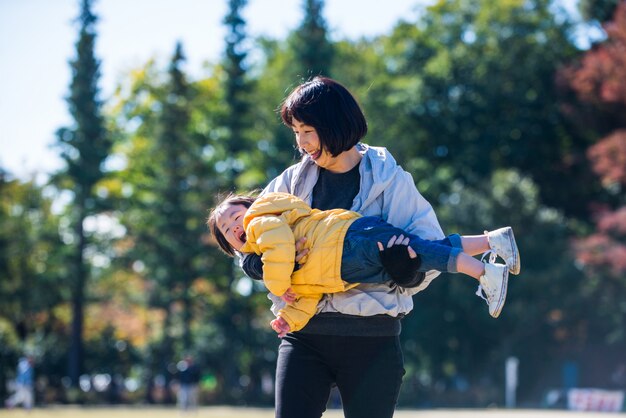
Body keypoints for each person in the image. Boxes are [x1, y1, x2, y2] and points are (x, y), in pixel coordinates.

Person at [237, 76, 511, 418]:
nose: (302, 142)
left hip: (372, 340)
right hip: (304, 335)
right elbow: (249, 234)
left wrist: (408, 274)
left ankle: (489, 257)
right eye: (296, 132)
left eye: (308, 130)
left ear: (334, 124)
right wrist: (254, 264)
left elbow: (428, 245)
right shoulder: (291, 181)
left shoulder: (391, 180)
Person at [208, 191, 520, 333]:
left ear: (248, 210)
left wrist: (279, 282)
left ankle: (482, 272)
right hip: (346, 263)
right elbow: (313, 292)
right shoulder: (263, 255)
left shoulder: (261, 221)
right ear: (228, 244)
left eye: (235, 215)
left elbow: (278, 249)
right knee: (421, 250)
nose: (234, 225)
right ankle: (494, 240)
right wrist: (290, 317)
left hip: (347, 242)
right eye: (225, 229)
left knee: (419, 252)